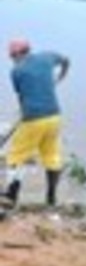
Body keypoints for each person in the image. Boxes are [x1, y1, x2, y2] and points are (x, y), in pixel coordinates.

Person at [3, 39, 70, 207]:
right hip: (54, 116)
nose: (12, 59)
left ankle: (11, 196)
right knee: (51, 155)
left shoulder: (17, 72)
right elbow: (66, 60)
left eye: (12, 56)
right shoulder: (47, 57)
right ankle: (51, 198)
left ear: (18, 54)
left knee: (16, 156)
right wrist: (59, 78)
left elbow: (22, 96)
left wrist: (25, 112)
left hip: (33, 119)